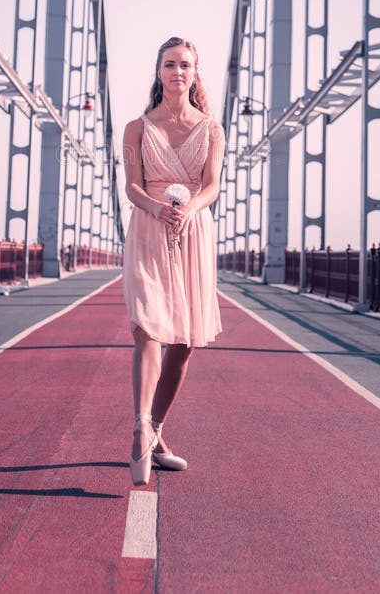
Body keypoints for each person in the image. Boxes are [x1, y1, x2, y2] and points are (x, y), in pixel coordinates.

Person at [122, 36, 225, 485]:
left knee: (183, 342)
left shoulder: (213, 129)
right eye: (169, 64)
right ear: (158, 71)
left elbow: (213, 185)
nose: (177, 72)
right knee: (148, 326)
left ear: (195, 72)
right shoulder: (136, 128)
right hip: (148, 227)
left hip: (193, 233)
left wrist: (191, 210)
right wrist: (158, 209)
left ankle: (157, 433)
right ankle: (141, 425)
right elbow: (131, 186)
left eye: (185, 64)